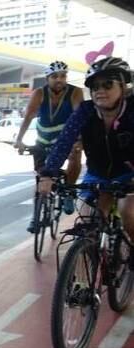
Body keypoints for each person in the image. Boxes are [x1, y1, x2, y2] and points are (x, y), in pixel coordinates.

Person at [39, 57, 134, 236]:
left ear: (123, 86)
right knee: (87, 219)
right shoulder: (85, 110)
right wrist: (48, 174)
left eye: (107, 84)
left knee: (128, 212)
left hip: (129, 174)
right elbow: (64, 141)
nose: (100, 91)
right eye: (95, 87)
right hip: (97, 173)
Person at [15, 60, 84, 231]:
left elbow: (79, 116)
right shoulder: (39, 93)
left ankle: (68, 191)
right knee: (40, 179)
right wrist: (19, 139)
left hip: (65, 140)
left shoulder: (75, 92)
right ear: (47, 78)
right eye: (54, 76)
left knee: (76, 156)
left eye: (63, 76)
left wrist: (79, 140)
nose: (59, 79)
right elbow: (29, 116)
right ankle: (35, 216)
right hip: (43, 141)